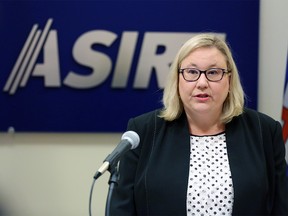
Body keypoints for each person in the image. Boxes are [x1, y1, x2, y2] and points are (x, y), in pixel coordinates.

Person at [109, 33, 288, 215]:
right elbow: (121, 209)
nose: (202, 83)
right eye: (192, 72)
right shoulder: (143, 131)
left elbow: (281, 207)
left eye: (213, 72)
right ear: (177, 79)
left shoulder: (264, 131)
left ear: (229, 79)